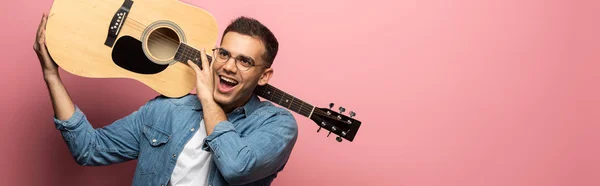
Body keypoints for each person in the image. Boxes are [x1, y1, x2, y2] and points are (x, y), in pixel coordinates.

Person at [33, 13, 298, 186]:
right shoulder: (168, 108)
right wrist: (51, 76)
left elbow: (236, 167)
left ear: (264, 76)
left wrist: (208, 100)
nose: (229, 67)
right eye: (224, 54)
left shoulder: (277, 125)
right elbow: (89, 149)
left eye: (245, 61)